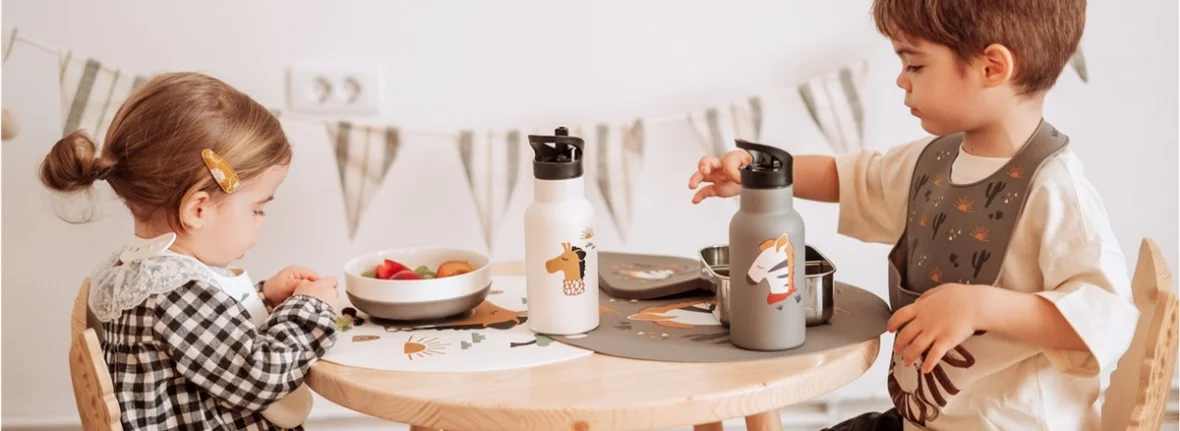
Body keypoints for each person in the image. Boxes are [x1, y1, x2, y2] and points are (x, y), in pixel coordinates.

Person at [688, 0, 1138, 429]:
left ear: (992, 67)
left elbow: (1107, 316)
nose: (901, 80)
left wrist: (981, 306)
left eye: (915, 65)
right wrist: (765, 173)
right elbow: (851, 178)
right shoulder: (933, 162)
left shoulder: (1054, 189)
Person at [41, 72, 340, 430]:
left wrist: (261, 298)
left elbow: (207, 341)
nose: (261, 222)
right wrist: (311, 310)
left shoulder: (139, 273)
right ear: (198, 209)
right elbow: (258, 375)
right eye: (257, 209)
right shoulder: (176, 292)